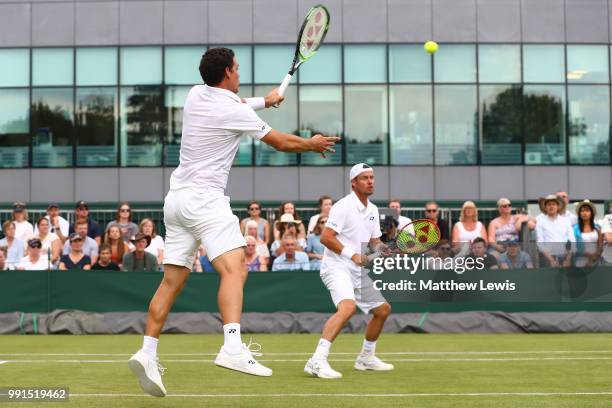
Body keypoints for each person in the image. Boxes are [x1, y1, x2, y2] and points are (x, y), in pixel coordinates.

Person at [128, 46, 339, 396]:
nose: (239, 74)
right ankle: (231, 347)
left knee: (171, 282)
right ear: (227, 72)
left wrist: (265, 101)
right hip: (205, 202)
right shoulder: (231, 109)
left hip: (176, 201)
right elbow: (280, 143)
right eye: (237, 69)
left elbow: (238, 106)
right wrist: (311, 143)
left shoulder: (197, 94)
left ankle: (147, 352)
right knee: (236, 268)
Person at [305, 163, 393, 379]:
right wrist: (352, 255)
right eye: (365, 178)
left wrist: (384, 249)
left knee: (382, 310)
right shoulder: (343, 206)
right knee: (347, 308)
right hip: (336, 267)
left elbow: (374, 241)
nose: (370, 181)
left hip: (356, 270)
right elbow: (326, 237)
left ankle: (366, 358)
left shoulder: (373, 210)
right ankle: (317, 361)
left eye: (372, 177)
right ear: (354, 183)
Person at [535, 194, 575, 267]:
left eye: (554, 204)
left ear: (558, 206)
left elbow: (573, 241)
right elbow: (540, 243)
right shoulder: (540, 221)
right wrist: (551, 259)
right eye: (549, 204)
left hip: (564, 256)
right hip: (546, 257)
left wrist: (568, 259)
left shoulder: (566, 221)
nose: (551, 206)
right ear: (545, 207)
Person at [572, 200, 603, 267]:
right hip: (580, 260)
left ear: (592, 213)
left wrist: (594, 257)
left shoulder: (597, 228)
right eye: (582, 211)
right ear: (579, 213)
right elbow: (574, 246)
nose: (584, 213)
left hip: (595, 260)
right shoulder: (574, 228)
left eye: (587, 210)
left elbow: (600, 245)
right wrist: (590, 256)